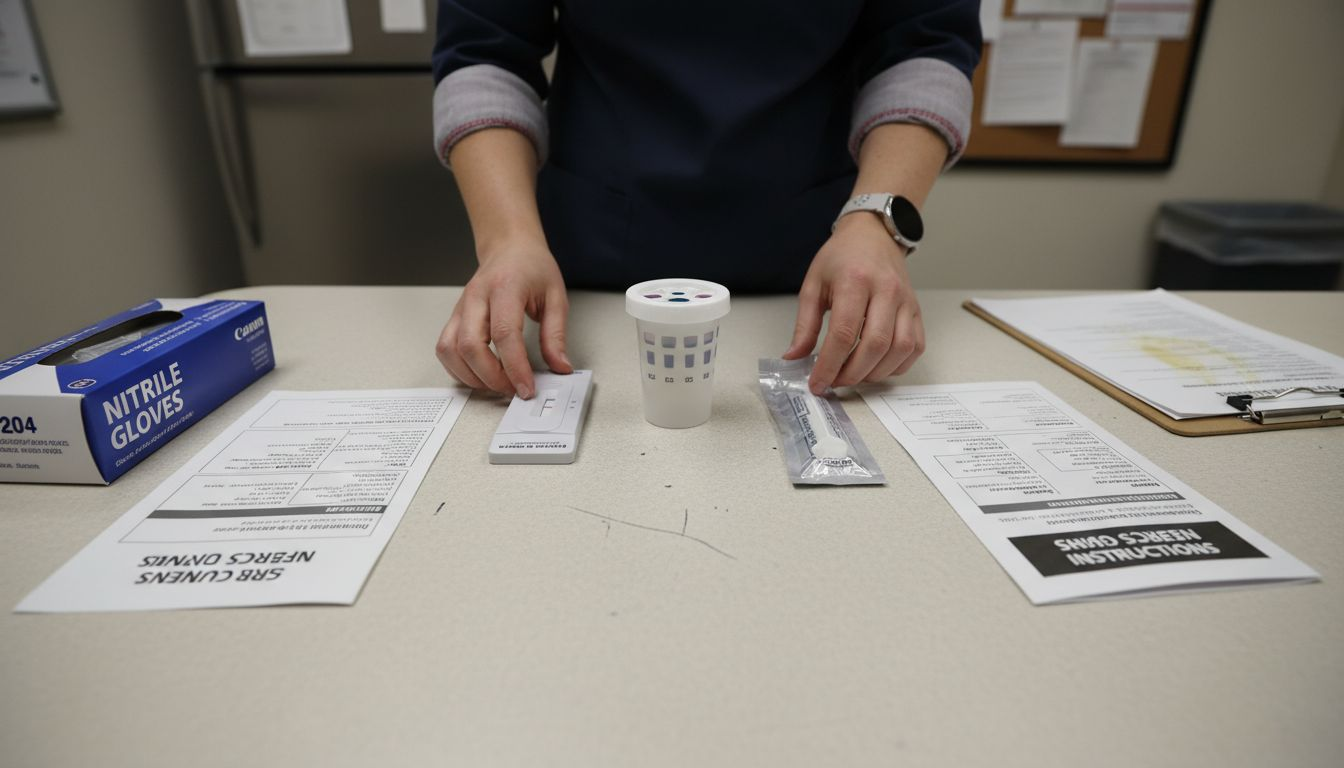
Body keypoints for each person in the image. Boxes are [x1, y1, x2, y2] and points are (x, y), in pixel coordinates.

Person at [431, 1, 981, 398]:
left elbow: (924, 46)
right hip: (589, 270)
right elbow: (486, 52)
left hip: (814, 265)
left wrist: (876, 223)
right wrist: (507, 240)